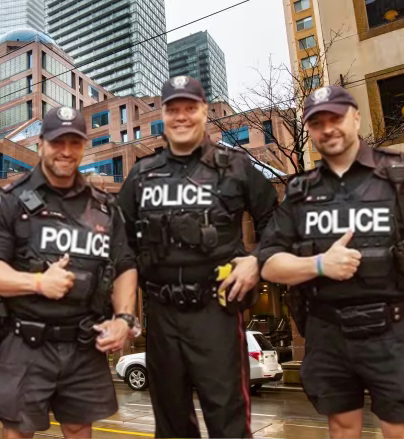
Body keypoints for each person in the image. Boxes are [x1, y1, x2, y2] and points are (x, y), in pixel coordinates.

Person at [259, 85, 404, 439]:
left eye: (335, 117)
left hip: (394, 330)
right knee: (342, 429)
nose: (328, 128)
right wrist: (319, 264)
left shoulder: (402, 174)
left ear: (355, 117)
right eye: (317, 122)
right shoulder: (300, 191)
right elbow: (269, 263)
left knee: (401, 431)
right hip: (328, 332)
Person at [116, 76, 279, 438]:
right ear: (163, 114)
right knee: (171, 424)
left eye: (190, 107)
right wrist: (126, 312)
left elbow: (275, 219)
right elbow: (121, 245)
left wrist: (258, 261)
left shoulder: (235, 167)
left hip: (217, 312)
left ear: (205, 111)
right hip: (161, 315)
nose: (182, 116)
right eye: (173, 109)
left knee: (228, 422)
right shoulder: (142, 174)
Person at [0, 106, 139, 439]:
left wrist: (124, 318)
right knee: (18, 429)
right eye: (57, 141)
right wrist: (36, 282)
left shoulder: (105, 208)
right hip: (25, 341)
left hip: (84, 342)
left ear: (83, 146)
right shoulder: (10, 202)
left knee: (79, 428)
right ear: (40, 145)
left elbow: (124, 266)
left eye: (74, 142)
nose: (66, 151)